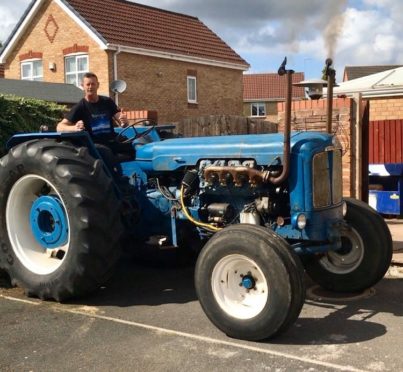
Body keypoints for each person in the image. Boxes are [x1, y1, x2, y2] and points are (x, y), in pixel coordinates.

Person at [57, 72, 134, 176]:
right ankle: (114, 182)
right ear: (82, 86)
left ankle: (133, 177)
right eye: (88, 84)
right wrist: (75, 128)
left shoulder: (107, 102)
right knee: (106, 153)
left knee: (132, 147)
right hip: (93, 144)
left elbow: (121, 121)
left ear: (98, 85)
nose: (90, 87)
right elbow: (60, 127)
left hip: (110, 139)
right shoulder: (80, 106)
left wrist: (124, 121)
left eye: (93, 84)